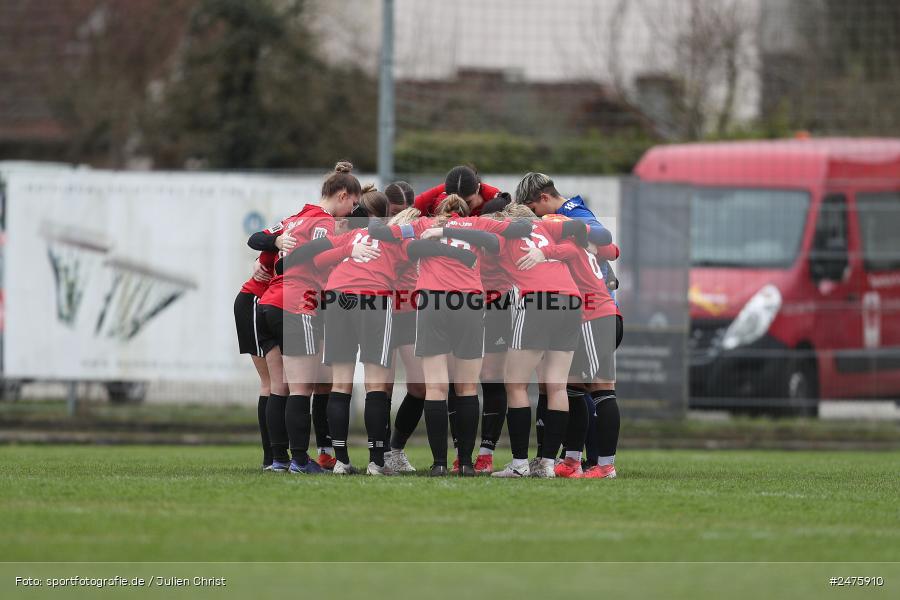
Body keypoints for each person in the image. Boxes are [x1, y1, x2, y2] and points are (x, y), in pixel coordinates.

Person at [251, 161, 360, 474]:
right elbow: (316, 256)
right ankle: (299, 459)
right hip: (296, 304)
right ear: (342, 195)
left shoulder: (295, 218)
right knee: (301, 388)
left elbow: (277, 253)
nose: (351, 212)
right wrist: (349, 250)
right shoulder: (322, 221)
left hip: (269, 302)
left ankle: (277, 459)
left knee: (278, 387)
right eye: (352, 204)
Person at [518, 214, 622, 479]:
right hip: (605, 315)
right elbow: (613, 250)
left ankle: (605, 465)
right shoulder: (584, 245)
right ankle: (572, 460)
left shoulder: (570, 247)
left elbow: (561, 250)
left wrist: (542, 251)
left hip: (594, 317)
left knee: (601, 389)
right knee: (574, 389)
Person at [490, 203, 588, 478]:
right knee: (557, 385)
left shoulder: (506, 233)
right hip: (571, 300)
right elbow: (575, 249)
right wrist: (546, 251)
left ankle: (520, 463)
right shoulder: (546, 230)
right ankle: (546, 464)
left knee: (515, 383)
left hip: (537, 300)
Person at [414, 165, 502, 217]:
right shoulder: (439, 194)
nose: (460, 208)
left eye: (467, 202)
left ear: (478, 189)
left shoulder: (494, 200)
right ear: (445, 192)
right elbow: (407, 210)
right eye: (453, 201)